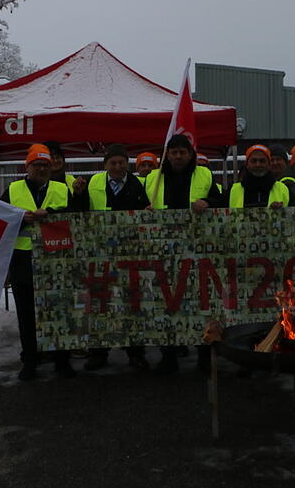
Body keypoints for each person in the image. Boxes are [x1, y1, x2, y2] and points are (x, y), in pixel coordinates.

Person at [145, 134, 224, 375]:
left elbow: (221, 200)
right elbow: (140, 204)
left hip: (198, 250)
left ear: (190, 154)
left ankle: (203, 355)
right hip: (164, 251)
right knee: (166, 304)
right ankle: (168, 356)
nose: (178, 156)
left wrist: (208, 202)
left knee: (202, 303)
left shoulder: (205, 175)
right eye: (174, 152)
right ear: (167, 155)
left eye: (182, 152)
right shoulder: (151, 178)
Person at [72, 143, 152, 372]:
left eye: (121, 163)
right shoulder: (94, 183)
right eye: (113, 163)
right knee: (99, 304)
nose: (117, 167)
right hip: (100, 254)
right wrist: (77, 195)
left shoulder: (139, 185)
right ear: (105, 164)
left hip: (130, 253)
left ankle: (135, 352)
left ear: (127, 164)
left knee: (131, 305)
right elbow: (80, 212)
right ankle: (99, 352)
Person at [0, 143, 75, 381]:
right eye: (37, 165)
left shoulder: (63, 189)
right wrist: (24, 219)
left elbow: (75, 219)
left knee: (59, 312)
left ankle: (62, 361)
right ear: (27, 166)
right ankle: (30, 360)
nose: (42, 169)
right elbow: (0, 223)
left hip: (56, 259)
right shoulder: (12, 190)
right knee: (27, 315)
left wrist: (50, 215)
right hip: (23, 260)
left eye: (46, 165)